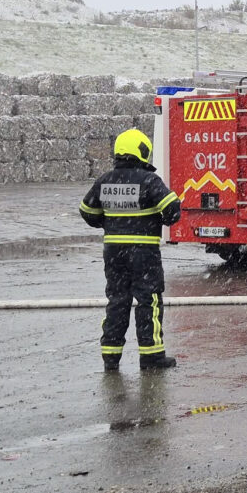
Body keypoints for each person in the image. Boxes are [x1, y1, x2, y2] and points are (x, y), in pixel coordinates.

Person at [79, 128, 181, 372]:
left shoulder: (104, 180)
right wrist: (160, 219)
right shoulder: (148, 180)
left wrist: (110, 222)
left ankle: (110, 356)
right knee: (149, 300)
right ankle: (151, 357)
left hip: (114, 252)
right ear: (142, 151)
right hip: (144, 252)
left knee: (117, 301)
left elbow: (87, 211)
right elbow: (172, 208)